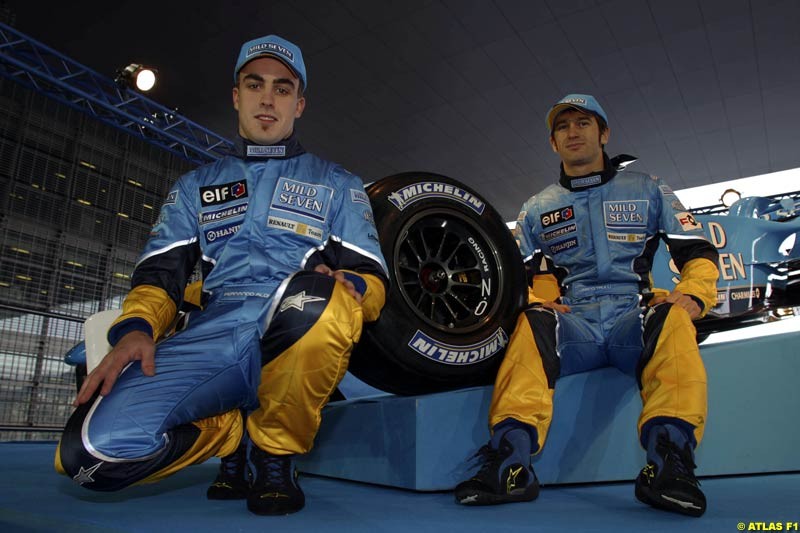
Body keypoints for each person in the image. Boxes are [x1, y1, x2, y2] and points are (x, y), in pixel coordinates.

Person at [55, 34, 389, 516]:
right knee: (87, 459)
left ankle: (274, 455)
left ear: (300, 103)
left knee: (323, 298)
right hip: (213, 333)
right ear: (237, 96)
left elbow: (371, 278)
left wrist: (352, 286)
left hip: (292, 328)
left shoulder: (338, 184)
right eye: (255, 85)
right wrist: (137, 329)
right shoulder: (195, 186)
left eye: (282, 88)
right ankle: (230, 429)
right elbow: (160, 273)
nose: (267, 99)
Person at [453, 94, 719, 517]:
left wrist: (695, 293)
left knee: (672, 318)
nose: (573, 132)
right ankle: (510, 464)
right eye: (563, 127)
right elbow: (506, 275)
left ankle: (671, 466)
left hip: (632, 318)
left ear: (604, 133)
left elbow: (698, 249)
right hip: (574, 323)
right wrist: (534, 300)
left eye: (583, 123)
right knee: (532, 320)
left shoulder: (648, 188)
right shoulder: (537, 207)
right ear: (553, 144)